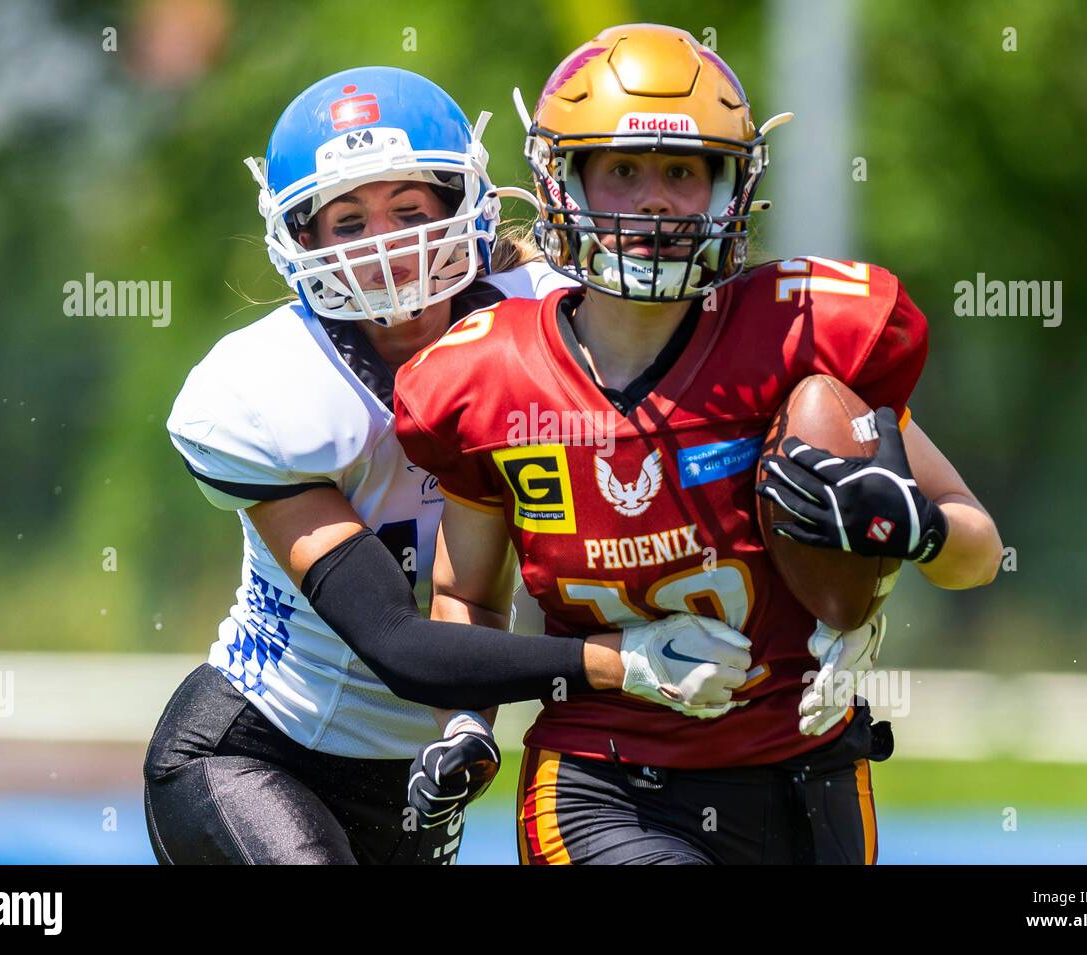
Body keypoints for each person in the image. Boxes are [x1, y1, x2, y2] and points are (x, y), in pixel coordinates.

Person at [393, 24, 1003, 865]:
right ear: (563, 181)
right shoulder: (488, 376)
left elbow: (976, 545)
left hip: (806, 774)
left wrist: (910, 530)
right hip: (604, 782)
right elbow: (469, 601)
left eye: (682, 172)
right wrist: (465, 722)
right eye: (625, 168)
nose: (653, 200)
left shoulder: (798, 337)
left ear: (728, 188)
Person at [144, 65, 752, 866]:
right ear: (300, 238)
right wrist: (622, 662)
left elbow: (731, 358)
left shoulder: (545, 314)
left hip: (419, 780)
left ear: (466, 204)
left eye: (408, 210)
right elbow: (399, 641)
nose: (387, 245)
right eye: (348, 222)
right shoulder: (266, 390)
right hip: (262, 747)